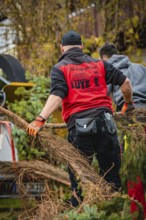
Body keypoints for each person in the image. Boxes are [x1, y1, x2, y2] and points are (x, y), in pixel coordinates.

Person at [27, 31, 133, 207]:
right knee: (112, 177)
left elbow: (57, 95)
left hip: (80, 129)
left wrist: (40, 119)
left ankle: (82, 213)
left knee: (79, 181)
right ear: (82, 47)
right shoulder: (100, 64)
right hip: (106, 124)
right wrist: (128, 104)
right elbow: (126, 83)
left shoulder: (59, 68)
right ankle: (115, 212)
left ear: (62, 48)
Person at [99, 42, 146, 217]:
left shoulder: (108, 70)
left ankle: (137, 212)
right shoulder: (140, 67)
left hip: (130, 119)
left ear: (103, 58)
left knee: (132, 166)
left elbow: (104, 98)